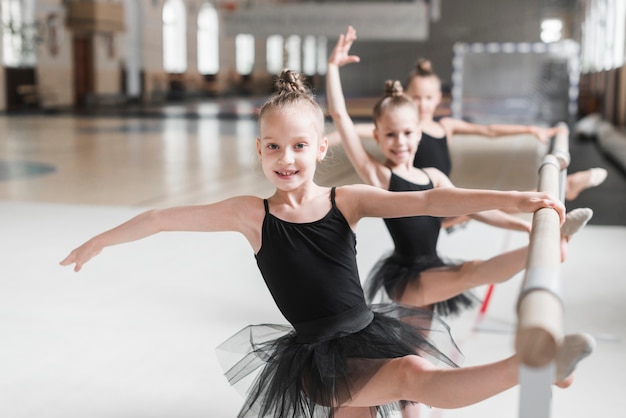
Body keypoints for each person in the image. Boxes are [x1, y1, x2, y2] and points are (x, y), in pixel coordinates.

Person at [61, 69, 594, 418]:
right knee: (416, 377)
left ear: (321, 150)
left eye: (298, 146)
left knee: (410, 381)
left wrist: (518, 199)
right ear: (259, 150)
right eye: (273, 147)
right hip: (318, 359)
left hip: (368, 334)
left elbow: (433, 201)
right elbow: (158, 217)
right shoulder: (251, 215)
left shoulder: (349, 200)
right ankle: (535, 364)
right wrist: (100, 241)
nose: (285, 158)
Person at [326, 26, 593, 317]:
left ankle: (553, 240)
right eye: (390, 135)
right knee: (472, 272)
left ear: (419, 134)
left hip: (432, 267)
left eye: (407, 133)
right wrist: (332, 69)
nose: (400, 142)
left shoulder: (433, 176)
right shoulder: (381, 176)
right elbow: (341, 118)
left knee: (415, 350)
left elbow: (475, 209)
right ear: (377, 138)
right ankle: (555, 246)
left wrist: (524, 226)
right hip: (408, 277)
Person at [325, 32, 607, 205]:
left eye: (428, 98)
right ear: (406, 98)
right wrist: (321, 145)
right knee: (487, 204)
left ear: (439, 100)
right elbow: (348, 129)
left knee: (488, 204)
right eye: (416, 98)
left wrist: (531, 129)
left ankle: (558, 191)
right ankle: (562, 188)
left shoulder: (444, 126)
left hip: (441, 191)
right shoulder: (398, 129)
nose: (422, 104)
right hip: (420, 200)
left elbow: (488, 131)